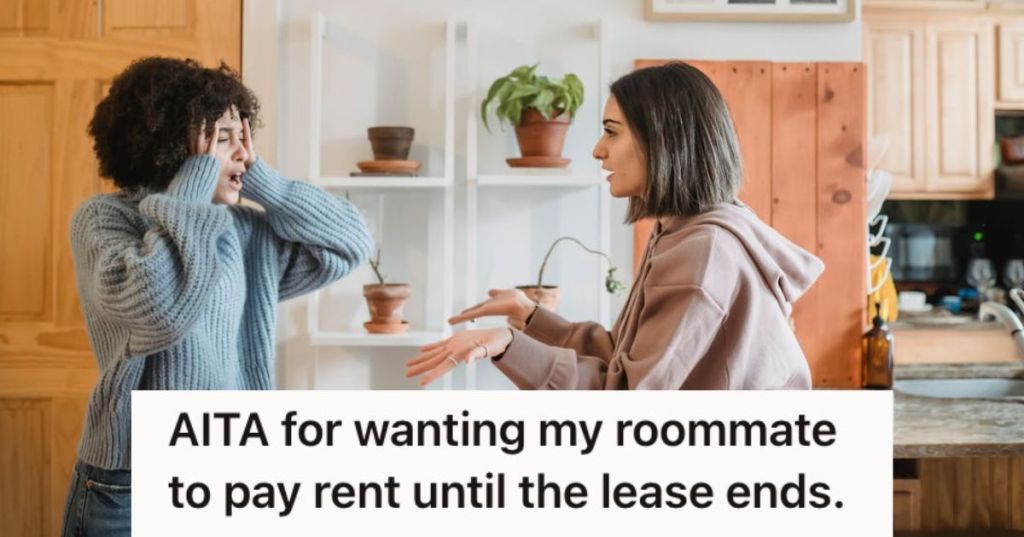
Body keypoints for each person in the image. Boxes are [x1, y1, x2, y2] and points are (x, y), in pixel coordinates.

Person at [61, 57, 373, 536]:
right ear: (172, 145)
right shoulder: (105, 220)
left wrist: (261, 180)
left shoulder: (245, 231)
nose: (243, 153)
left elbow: (351, 242)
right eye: (223, 138)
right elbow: (159, 309)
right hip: (131, 485)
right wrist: (196, 182)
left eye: (244, 137)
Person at [407, 62, 823, 390]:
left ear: (663, 140)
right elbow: (621, 354)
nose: (597, 150)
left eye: (611, 133)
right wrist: (529, 315)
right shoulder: (681, 232)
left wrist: (507, 345)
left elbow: (626, 395)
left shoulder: (703, 250)